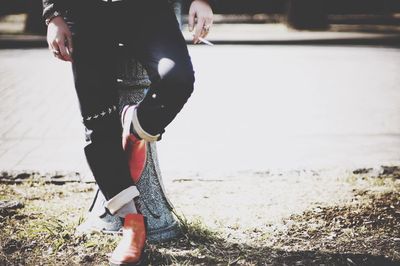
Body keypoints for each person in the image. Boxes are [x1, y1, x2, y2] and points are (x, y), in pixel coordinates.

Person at [42, 0, 213, 265]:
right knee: (98, 122)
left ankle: (136, 126)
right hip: (85, 12)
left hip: (147, 9)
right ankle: (133, 225)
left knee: (177, 77)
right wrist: (52, 15)